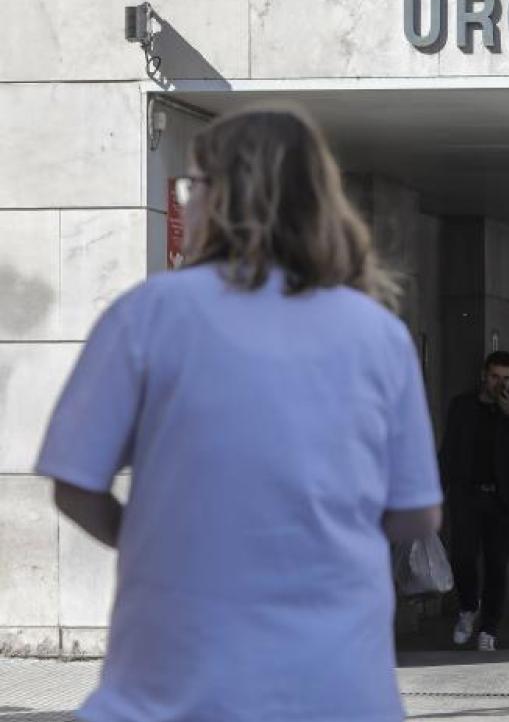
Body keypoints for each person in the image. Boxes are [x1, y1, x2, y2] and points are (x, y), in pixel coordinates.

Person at [34, 106, 443, 722]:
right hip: (339, 692)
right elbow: (416, 511)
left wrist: (156, 545)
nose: (186, 202)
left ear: (221, 196)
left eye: (190, 186)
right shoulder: (379, 336)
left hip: (166, 691)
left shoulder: (146, 315)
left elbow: (74, 483)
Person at [440, 351, 509, 650]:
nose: (501, 384)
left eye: (506, 378)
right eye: (495, 377)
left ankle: (489, 628)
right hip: (467, 494)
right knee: (462, 556)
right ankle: (468, 608)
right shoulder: (463, 406)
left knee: (497, 563)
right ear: (484, 375)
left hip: (503, 499)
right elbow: (448, 451)